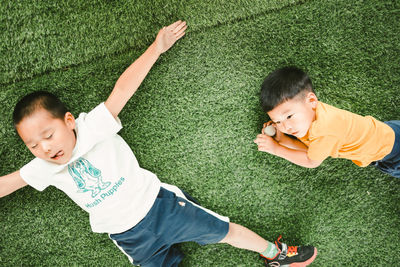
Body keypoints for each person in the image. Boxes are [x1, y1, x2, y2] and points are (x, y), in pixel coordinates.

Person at [0, 22, 317, 266]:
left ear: (68, 121)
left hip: (161, 208)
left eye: (48, 135)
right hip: (130, 238)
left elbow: (123, 89)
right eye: (33, 145)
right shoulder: (43, 168)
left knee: (226, 231)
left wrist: (157, 47)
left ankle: (274, 253)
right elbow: (8, 184)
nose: (44, 148)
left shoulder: (91, 127)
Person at [254, 66, 399, 178]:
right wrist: (283, 139)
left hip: (391, 153)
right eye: (277, 122)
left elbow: (311, 161)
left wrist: (276, 149)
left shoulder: (324, 131)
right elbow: (311, 150)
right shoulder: (312, 114)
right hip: (385, 132)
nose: (285, 126)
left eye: (289, 117)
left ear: (311, 100)